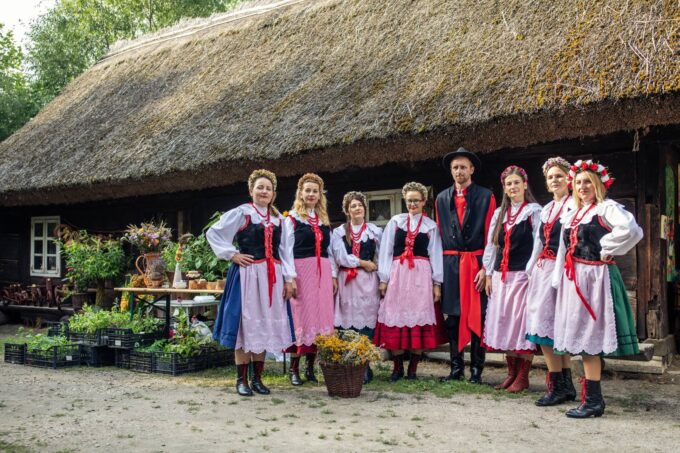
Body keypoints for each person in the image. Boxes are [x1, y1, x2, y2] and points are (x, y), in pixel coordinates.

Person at [552, 160, 642, 418]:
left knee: (590, 338)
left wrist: (607, 248)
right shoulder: (572, 214)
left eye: (588, 182)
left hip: (596, 279)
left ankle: (593, 401)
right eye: (578, 182)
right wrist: (558, 280)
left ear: (598, 184)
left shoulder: (606, 208)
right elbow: (563, 251)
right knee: (583, 337)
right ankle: (592, 399)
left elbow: (632, 230)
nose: (582, 187)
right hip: (575, 280)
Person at [207, 169, 295, 396]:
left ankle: (257, 379)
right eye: (260, 187)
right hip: (247, 276)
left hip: (272, 280)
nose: (264, 191)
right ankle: (241, 380)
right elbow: (214, 233)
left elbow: (286, 252)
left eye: (268, 188)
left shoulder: (280, 220)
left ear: (273, 193)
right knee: (245, 326)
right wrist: (232, 254)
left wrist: (289, 279)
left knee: (263, 325)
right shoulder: (242, 213)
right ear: (251, 190)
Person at [435, 147, 496, 384]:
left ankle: (477, 370)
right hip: (451, 264)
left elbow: (491, 235)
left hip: (477, 263)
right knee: (453, 317)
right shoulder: (441, 198)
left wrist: (486, 268)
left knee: (478, 315)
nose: (459, 171)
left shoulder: (486, 196)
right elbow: (439, 235)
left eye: (463, 167)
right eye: (455, 167)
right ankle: (456, 369)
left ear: (471, 170)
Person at [373, 181, 444, 381]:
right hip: (398, 276)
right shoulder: (396, 222)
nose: (412, 204)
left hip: (421, 278)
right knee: (395, 316)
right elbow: (386, 252)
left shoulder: (431, 226)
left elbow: (435, 254)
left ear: (423, 201)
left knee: (418, 318)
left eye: (416, 201)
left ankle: (412, 369)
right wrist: (383, 279)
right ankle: (397, 368)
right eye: (409, 201)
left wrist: (437, 284)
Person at [483, 166, 541, 393]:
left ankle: (523, 376)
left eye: (516, 182)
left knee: (521, 324)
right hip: (501, 277)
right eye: (509, 184)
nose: (513, 187)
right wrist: (489, 273)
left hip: (523, 276)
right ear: (504, 188)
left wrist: (532, 273)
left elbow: (538, 245)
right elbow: (492, 245)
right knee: (506, 322)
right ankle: (511, 374)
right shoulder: (500, 214)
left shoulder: (534, 211)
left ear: (525, 185)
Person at [524, 157, 577, 405]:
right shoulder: (546, 209)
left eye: (559, 176)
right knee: (544, 325)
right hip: (543, 270)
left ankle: (559, 385)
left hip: (561, 269)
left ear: (569, 179)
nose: (555, 180)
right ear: (546, 183)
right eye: (550, 177)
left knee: (549, 327)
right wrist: (531, 268)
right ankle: (564, 385)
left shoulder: (574, 205)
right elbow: (538, 242)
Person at [283, 173, 336, 385]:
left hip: (322, 273)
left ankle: (310, 368)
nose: (311, 194)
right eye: (308, 190)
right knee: (301, 316)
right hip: (301, 271)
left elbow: (330, 251)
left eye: (315, 191)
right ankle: (294, 369)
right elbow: (286, 251)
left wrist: (333, 276)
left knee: (320, 317)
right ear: (301, 193)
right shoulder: (292, 219)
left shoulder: (323, 220)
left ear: (320, 195)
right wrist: (290, 278)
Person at [331, 191, 382, 383]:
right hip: (347, 281)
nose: (357, 208)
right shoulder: (339, 232)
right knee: (348, 322)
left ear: (365, 209)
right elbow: (339, 257)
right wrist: (362, 263)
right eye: (353, 206)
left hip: (368, 281)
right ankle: (350, 364)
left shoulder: (375, 231)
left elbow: (381, 255)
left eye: (360, 205)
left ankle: (365, 365)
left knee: (367, 322)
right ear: (347, 211)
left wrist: (381, 275)